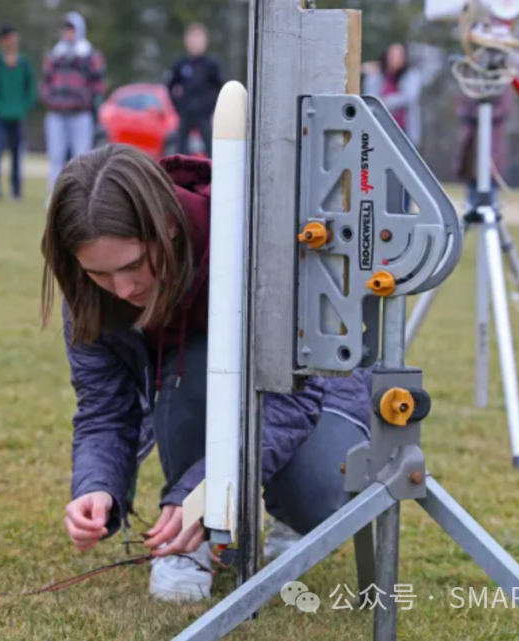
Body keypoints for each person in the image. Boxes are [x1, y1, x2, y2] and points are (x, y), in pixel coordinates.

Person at [40, 144, 372, 602]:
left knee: (318, 493)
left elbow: (293, 396)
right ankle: (189, 546)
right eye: (99, 273)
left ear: (169, 226)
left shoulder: (254, 239)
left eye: (134, 265)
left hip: (314, 391)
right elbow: (104, 407)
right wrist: (97, 487)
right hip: (191, 397)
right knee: (189, 375)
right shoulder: (89, 294)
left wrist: (206, 487)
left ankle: (263, 514)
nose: (122, 288)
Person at [42, 12, 106, 204]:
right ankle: (54, 196)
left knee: (81, 157)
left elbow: (99, 83)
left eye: (72, 29)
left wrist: (86, 98)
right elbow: (45, 81)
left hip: (80, 114)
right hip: (57, 113)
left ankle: (80, 197)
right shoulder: (55, 54)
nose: (69, 33)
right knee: (56, 157)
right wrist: (50, 97)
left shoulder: (89, 55)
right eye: (66, 29)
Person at [364, 43, 422, 212]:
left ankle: (403, 212)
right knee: (380, 175)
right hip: (381, 133)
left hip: (405, 134)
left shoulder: (412, 75)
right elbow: (370, 99)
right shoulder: (376, 75)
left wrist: (383, 102)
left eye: (399, 55)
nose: (395, 58)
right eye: (392, 54)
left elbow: (408, 97)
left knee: (406, 177)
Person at [0, 24, 37, 201]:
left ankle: (16, 190)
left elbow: (31, 89)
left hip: (18, 116)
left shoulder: (24, 64)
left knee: (17, 153)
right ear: (3, 41)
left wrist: (23, 106)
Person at [165, 23, 224, 157]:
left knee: (211, 151)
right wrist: (178, 107)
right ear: (187, 41)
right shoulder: (180, 63)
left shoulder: (212, 64)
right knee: (180, 150)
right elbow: (170, 85)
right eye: (192, 38)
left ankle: (210, 176)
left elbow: (221, 88)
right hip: (185, 114)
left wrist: (211, 107)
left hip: (204, 115)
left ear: (205, 41)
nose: (195, 42)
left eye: (199, 38)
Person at [456, 89, 513, 210]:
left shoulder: (500, 87)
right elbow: (461, 107)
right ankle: (471, 208)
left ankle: (489, 209)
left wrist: (484, 112)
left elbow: (504, 108)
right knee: (472, 182)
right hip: (471, 147)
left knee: (490, 184)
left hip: (492, 147)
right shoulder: (471, 84)